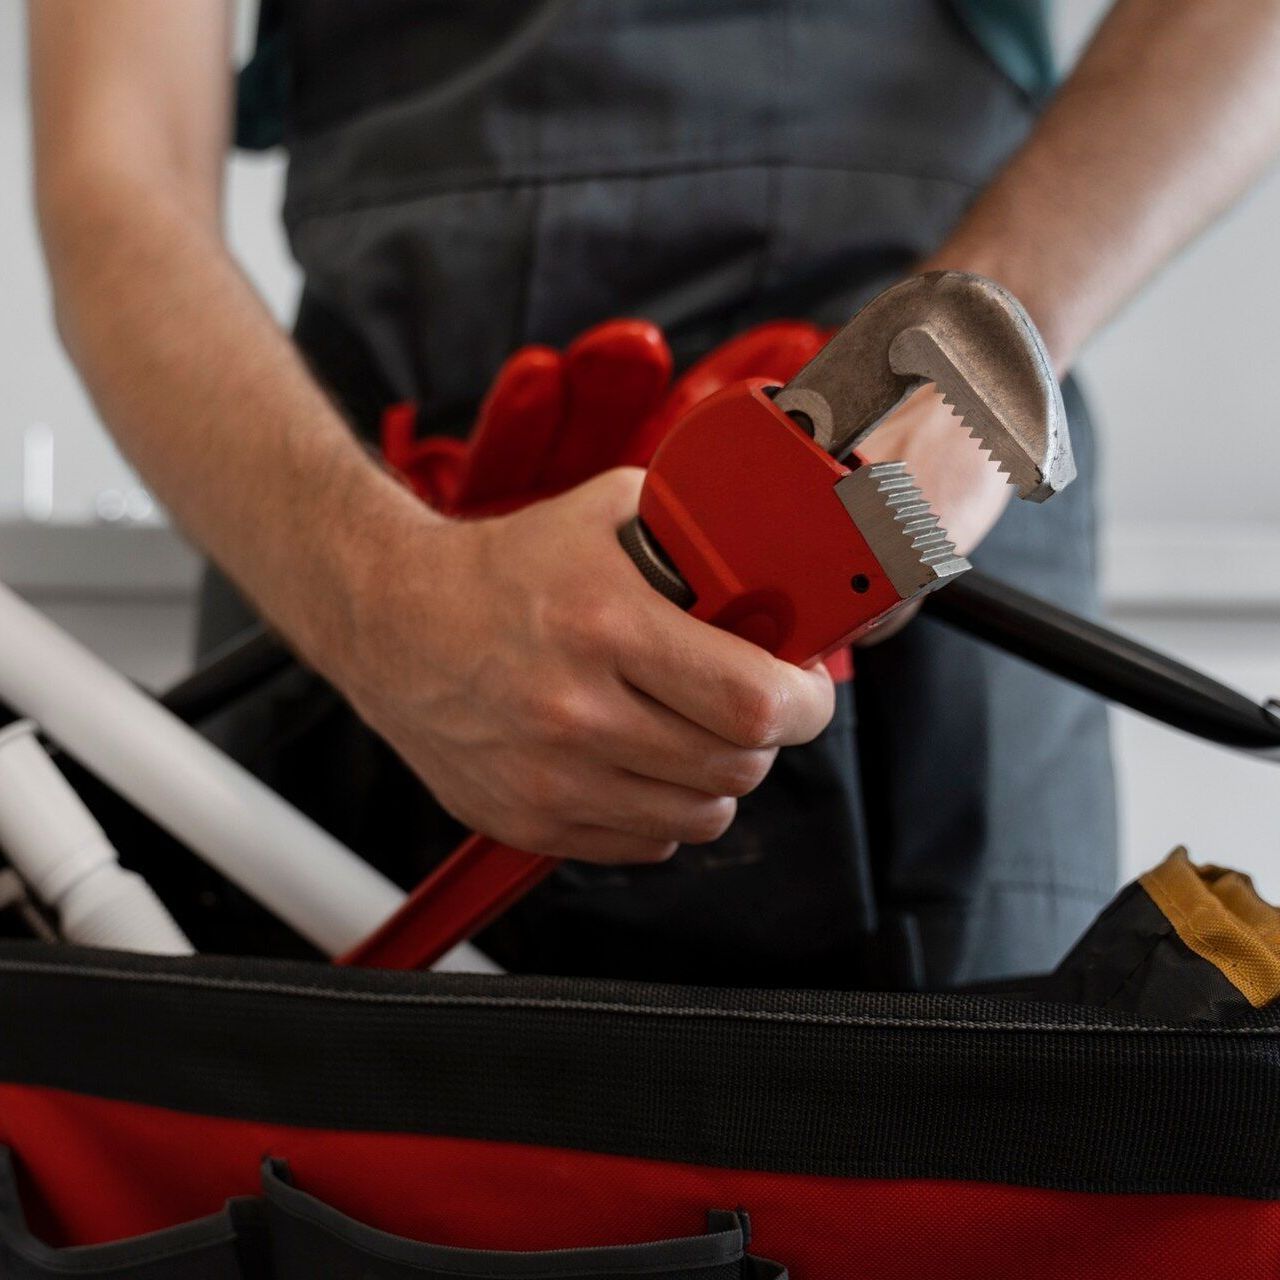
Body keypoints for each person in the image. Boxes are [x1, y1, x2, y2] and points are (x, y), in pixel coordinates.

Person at [26, 0, 1280, 985]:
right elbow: (112, 174)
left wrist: (984, 347)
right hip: (354, 508)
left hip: (940, 516)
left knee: (948, 1180)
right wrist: (378, 600)